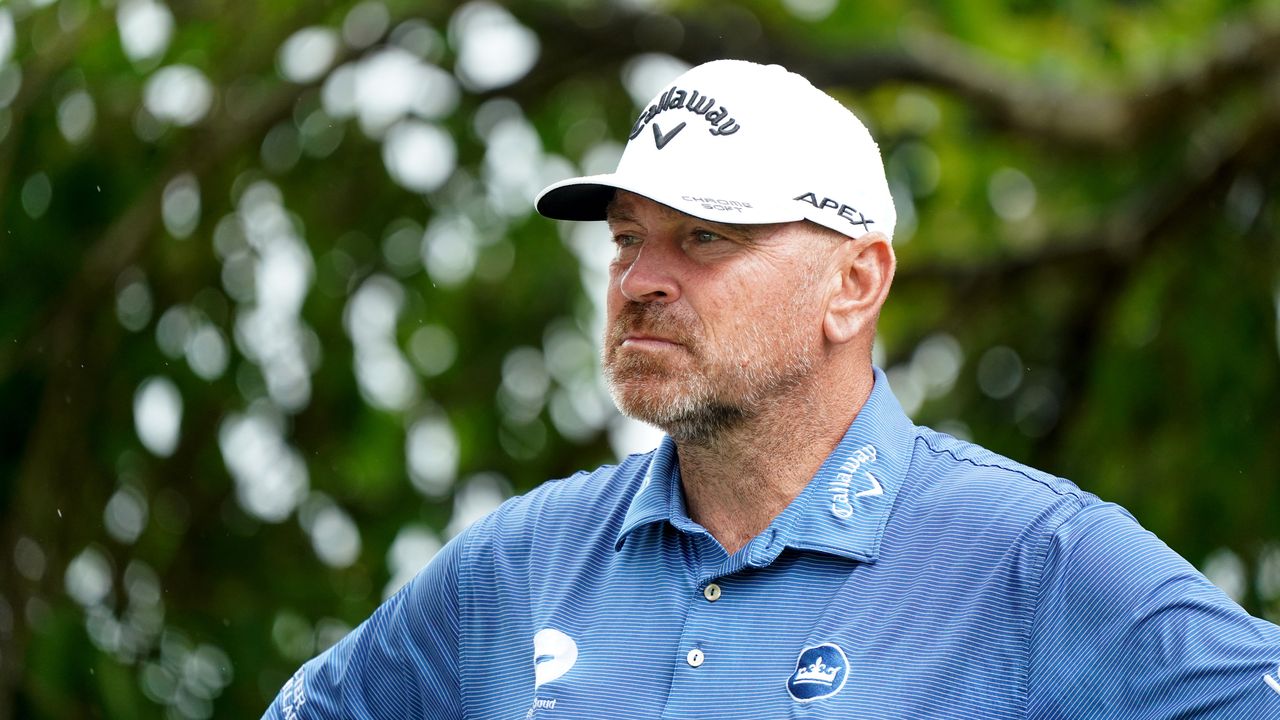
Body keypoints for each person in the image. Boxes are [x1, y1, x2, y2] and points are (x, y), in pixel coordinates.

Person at [262, 60, 1280, 719]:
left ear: (853, 284)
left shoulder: (1036, 561)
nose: (639, 281)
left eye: (704, 235)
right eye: (625, 239)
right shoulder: (515, 565)